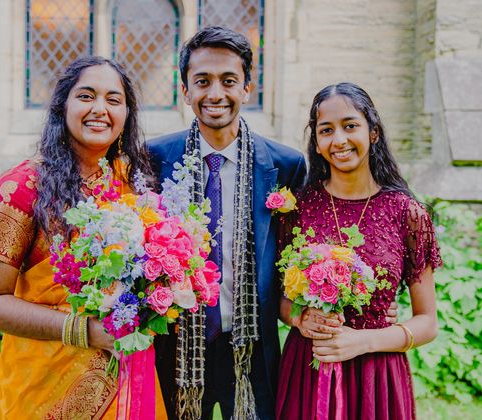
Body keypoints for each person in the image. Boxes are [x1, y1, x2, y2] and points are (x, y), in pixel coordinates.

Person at [0, 56, 167, 419]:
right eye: (86, 96)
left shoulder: (134, 184)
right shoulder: (18, 190)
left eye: (113, 99)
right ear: (63, 106)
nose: (100, 109)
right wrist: (84, 331)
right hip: (45, 384)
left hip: (128, 374)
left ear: (126, 114)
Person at [147, 27, 306, 419]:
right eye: (202, 81)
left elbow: (296, 254)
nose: (215, 93)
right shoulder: (153, 159)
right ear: (185, 92)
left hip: (253, 346)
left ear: (247, 89)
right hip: (178, 348)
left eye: (228, 81)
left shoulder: (286, 166)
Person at [276, 82, 442, 419]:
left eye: (350, 126)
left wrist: (364, 341)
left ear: (373, 132)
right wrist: (299, 317)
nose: (339, 139)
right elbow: (279, 298)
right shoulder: (298, 208)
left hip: (376, 376)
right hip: (309, 366)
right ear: (317, 144)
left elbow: (428, 322)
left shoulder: (407, 213)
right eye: (327, 130)